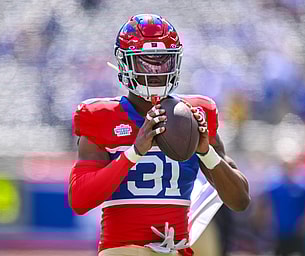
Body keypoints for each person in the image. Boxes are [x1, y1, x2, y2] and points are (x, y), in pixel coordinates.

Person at [69, 14, 250, 256]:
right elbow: (80, 200)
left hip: (178, 248)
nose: (155, 71)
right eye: (145, 62)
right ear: (125, 64)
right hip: (124, 250)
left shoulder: (196, 114)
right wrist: (134, 153)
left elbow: (240, 200)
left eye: (163, 62)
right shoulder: (101, 116)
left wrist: (206, 153)